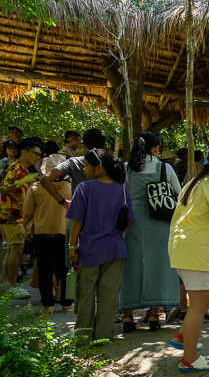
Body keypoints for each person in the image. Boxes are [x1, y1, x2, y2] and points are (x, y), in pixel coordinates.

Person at [167, 147, 209, 373]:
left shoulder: (193, 184)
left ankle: (183, 335)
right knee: (198, 307)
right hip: (197, 253)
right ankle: (190, 358)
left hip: (181, 249)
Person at [67, 149, 133, 341]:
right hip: (115, 247)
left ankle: (82, 338)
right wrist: (113, 234)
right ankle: (103, 336)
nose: (85, 169)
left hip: (89, 249)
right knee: (109, 295)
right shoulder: (122, 189)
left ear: (99, 167)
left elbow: (76, 221)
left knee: (86, 294)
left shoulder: (84, 188)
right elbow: (129, 220)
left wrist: (71, 248)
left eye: (87, 165)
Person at [119, 132, 181, 332]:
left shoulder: (127, 168)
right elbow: (178, 194)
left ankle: (127, 316)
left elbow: (121, 195)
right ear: (155, 148)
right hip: (159, 220)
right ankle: (154, 313)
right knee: (158, 266)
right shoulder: (165, 167)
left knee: (130, 267)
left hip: (132, 221)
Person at [23, 154, 73, 314]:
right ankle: (67, 303)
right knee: (66, 270)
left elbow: (27, 213)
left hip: (42, 234)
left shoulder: (36, 187)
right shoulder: (71, 188)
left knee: (45, 271)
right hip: (66, 235)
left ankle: (47, 305)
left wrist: (29, 229)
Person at [1, 139, 42, 297]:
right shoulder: (14, 168)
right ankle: (12, 286)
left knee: (13, 249)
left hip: (18, 215)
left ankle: (5, 283)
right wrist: (8, 188)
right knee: (16, 248)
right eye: (35, 153)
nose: (38, 157)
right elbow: (3, 187)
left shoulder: (25, 171)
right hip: (11, 214)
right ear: (24, 152)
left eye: (39, 154)